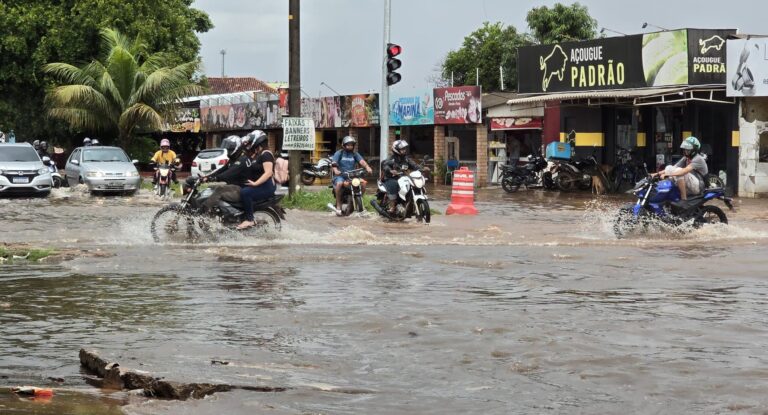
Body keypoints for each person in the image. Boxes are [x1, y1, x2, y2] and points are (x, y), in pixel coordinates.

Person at [236, 131, 276, 230]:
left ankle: (250, 219)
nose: (249, 144)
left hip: (267, 186)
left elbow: (268, 173)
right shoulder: (258, 154)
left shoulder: (266, 154)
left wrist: (255, 183)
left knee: (246, 193)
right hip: (261, 185)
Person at [655, 136, 708, 200]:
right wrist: (656, 174)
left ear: (694, 150)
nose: (685, 151)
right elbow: (673, 167)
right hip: (691, 183)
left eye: (688, 150)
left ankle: (684, 199)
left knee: (679, 171)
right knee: (669, 167)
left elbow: (684, 171)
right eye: (685, 149)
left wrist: (668, 175)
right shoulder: (686, 158)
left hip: (699, 186)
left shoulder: (698, 159)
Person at [331, 136, 373, 215]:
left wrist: (367, 167)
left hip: (352, 176)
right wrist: (336, 170)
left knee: (363, 183)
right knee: (339, 184)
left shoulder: (354, 154)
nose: (350, 146)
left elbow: (362, 161)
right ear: (344, 145)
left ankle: (359, 201)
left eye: (351, 145)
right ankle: (338, 205)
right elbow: (334, 163)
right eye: (348, 145)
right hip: (341, 176)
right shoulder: (339, 153)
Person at [381, 139, 420, 214]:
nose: (404, 150)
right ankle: (392, 206)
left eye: (404, 149)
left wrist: (420, 168)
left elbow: (413, 165)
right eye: (402, 149)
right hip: (391, 178)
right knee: (394, 184)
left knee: (413, 184)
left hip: (402, 177)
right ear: (396, 150)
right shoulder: (391, 159)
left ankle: (409, 203)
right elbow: (385, 165)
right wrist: (390, 170)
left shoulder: (406, 158)